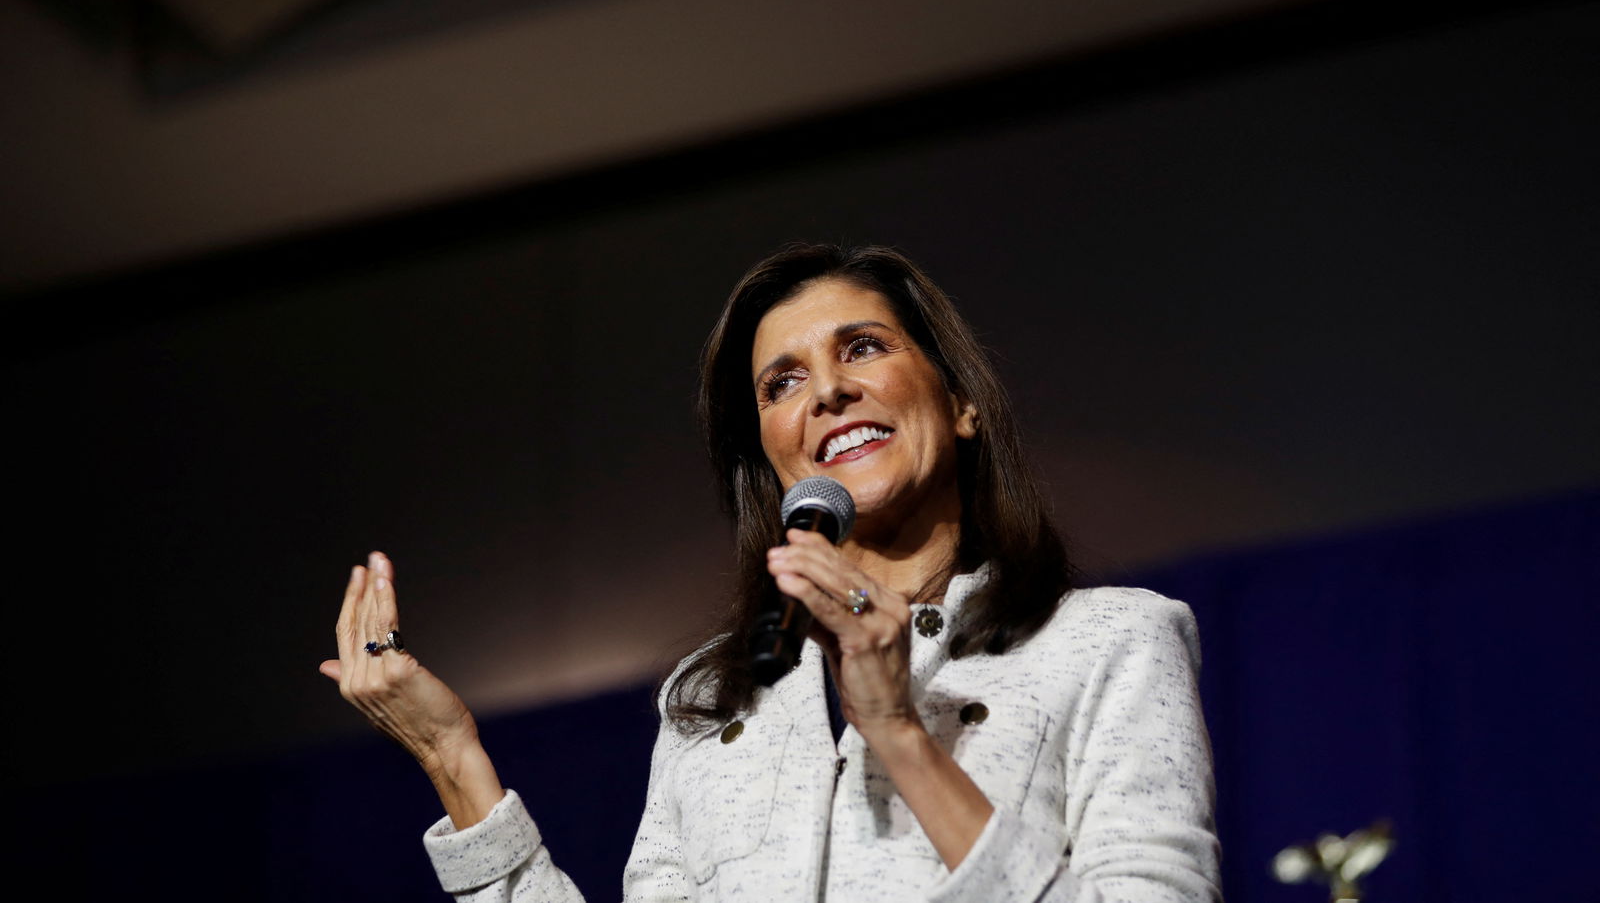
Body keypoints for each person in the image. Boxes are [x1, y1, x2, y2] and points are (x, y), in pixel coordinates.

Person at [321, 243, 1222, 901]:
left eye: (863, 348)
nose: (826, 390)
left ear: (961, 403)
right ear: (772, 459)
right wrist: (454, 762)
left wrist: (899, 733)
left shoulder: (1111, 641)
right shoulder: (714, 703)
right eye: (781, 382)